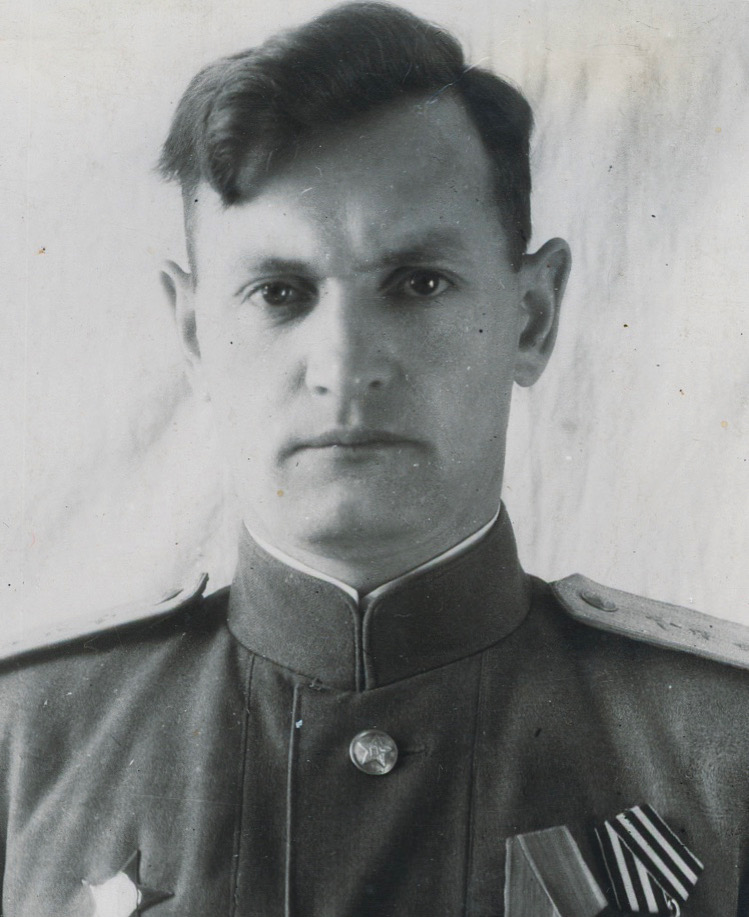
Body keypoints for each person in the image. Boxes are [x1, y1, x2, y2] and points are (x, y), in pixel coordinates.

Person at [1, 3, 747, 915]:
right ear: (194, 333)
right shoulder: (24, 745)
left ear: (532, 316)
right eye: (279, 292)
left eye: (419, 283)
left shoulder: (725, 747)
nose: (346, 365)